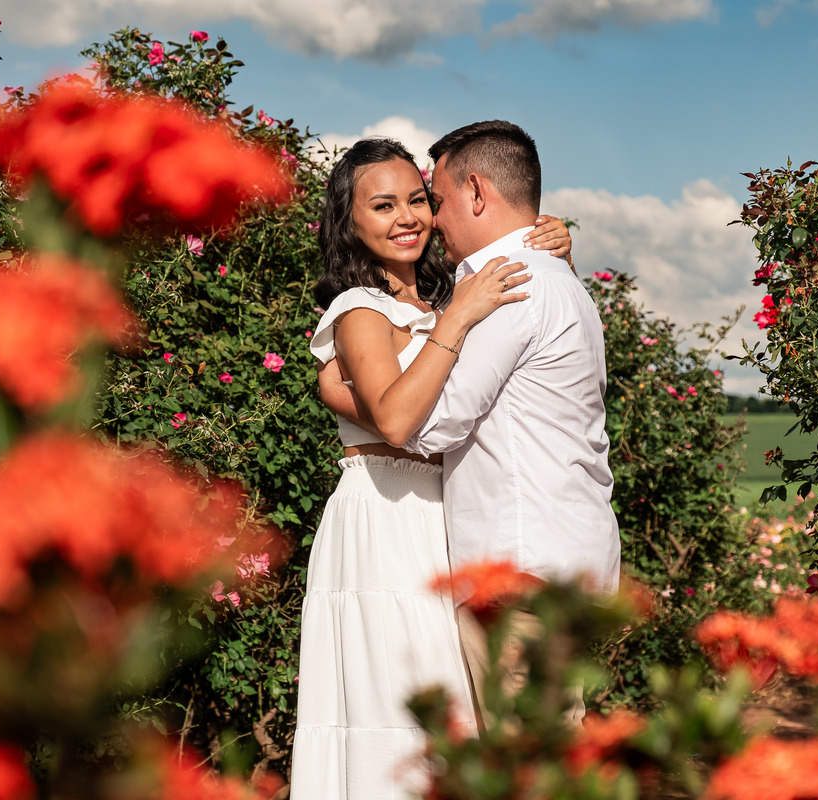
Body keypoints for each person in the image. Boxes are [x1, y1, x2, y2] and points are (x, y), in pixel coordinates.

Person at [291, 136, 573, 799]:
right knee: (393, 704)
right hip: (384, 522)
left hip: (446, 515)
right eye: (382, 205)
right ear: (350, 224)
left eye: (417, 199)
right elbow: (395, 418)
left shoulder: (445, 298)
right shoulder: (360, 312)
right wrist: (463, 316)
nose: (407, 218)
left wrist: (554, 244)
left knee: (458, 704)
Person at [322, 120, 621, 730]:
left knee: (523, 753)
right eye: (386, 205)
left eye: (427, 198)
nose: (420, 215)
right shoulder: (529, 285)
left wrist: (353, 398)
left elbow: (423, 427)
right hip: (423, 533)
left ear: (476, 193)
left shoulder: (502, 289)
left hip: (507, 558)